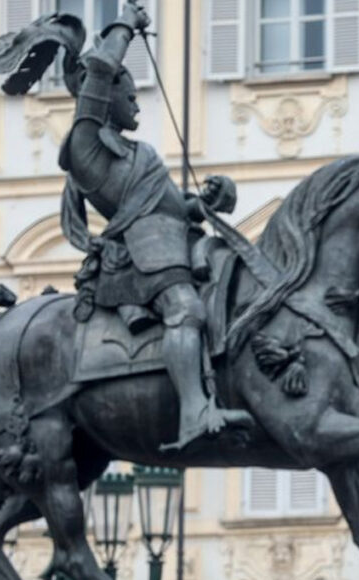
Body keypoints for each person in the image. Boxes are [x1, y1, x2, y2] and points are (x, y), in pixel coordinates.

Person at [60, 2, 250, 449]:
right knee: (186, 310)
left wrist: (207, 200)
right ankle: (193, 414)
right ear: (106, 100)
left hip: (176, 242)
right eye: (129, 98)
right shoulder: (85, 147)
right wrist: (127, 22)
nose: (135, 106)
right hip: (143, 255)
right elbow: (103, 68)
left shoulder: (139, 154)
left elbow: (175, 207)